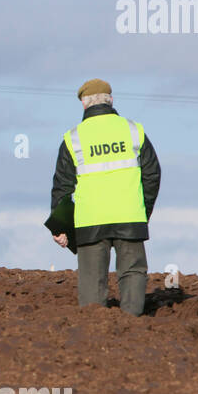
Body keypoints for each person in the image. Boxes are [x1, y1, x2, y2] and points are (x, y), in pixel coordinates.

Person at [50, 79, 161, 316]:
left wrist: (61, 228)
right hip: (130, 216)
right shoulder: (134, 130)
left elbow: (62, 187)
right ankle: (132, 324)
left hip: (90, 221)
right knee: (132, 272)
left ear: (83, 104)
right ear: (111, 101)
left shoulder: (73, 138)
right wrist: (144, 212)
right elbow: (152, 174)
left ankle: (94, 334)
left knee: (91, 280)